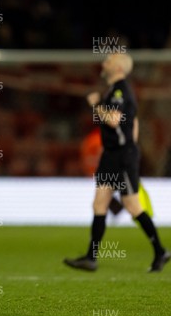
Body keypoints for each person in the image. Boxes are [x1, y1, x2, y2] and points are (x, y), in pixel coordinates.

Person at [64, 53, 170, 272]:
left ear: (119, 68)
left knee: (132, 206)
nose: (104, 64)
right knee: (99, 204)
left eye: (109, 61)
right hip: (113, 155)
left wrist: (96, 105)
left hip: (121, 157)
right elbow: (135, 122)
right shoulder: (115, 91)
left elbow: (113, 120)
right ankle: (90, 258)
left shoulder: (120, 90)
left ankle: (160, 251)